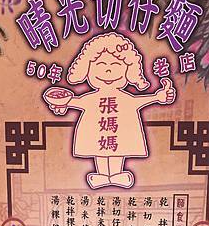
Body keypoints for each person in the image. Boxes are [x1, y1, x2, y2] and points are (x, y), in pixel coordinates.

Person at [44, 32, 176, 189]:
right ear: (86, 69)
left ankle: (115, 175)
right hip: (97, 132)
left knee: (117, 150)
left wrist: (158, 97)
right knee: (99, 150)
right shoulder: (90, 98)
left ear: (129, 71)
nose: (108, 71)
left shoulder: (125, 98)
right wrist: (63, 103)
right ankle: (102, 176)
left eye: (116, 66)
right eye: (100, 65)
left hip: (118, 131)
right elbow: (75, 101)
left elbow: (137, 102)